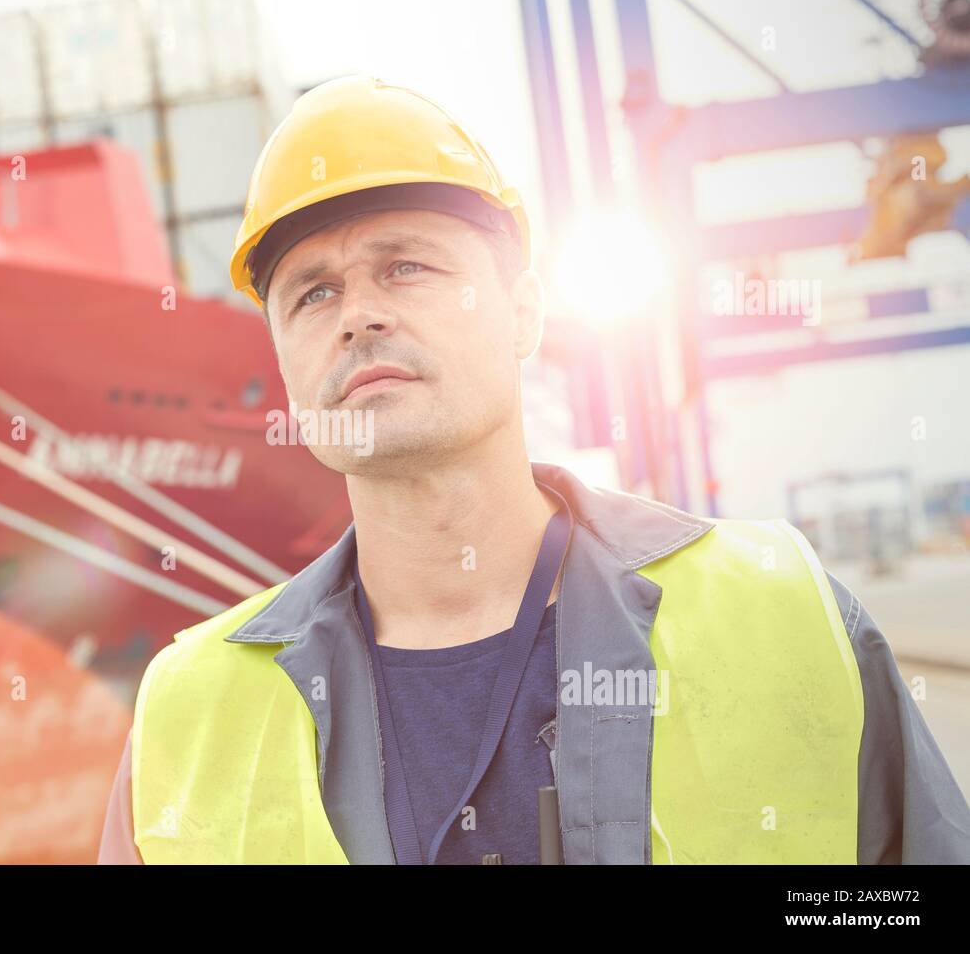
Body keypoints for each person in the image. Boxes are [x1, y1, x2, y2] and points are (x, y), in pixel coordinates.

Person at [98, 75, 970, 864]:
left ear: (523, 314)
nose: (358, 314)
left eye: (405, 266)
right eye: (313, 293)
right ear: (283, 361)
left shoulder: (782, 612)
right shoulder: (187, 713)